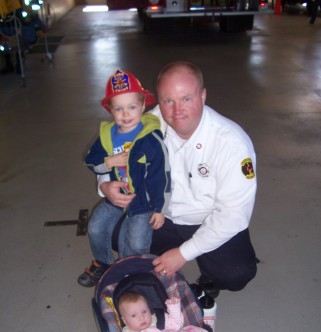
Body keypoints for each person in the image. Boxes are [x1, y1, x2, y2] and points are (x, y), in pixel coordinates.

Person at [97, 61, 258, 312]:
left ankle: (206, 281)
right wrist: (105, 184)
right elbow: (110, 150)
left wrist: (182, 254)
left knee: (236, 273)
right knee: (117, 233)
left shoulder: (231, 143)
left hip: (207, 219)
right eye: (167, 101)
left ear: (203, 95)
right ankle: (157, 271)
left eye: (186, 99)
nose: (176, 111)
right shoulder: (147, 125)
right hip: (160, 216)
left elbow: (233, 215)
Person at [78, 68, 170, 287]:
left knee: (136, 243)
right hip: (115, 197)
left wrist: (160, 208)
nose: (126, 114)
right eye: (119, 109)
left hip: (142, 203)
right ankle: (104, 263)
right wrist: (109, 162)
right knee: (95, 227)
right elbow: (90, 161)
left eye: (131, 107)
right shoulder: (106, 136)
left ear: (142, 105)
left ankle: (131, 275)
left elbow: (161, 174)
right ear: (110, 110)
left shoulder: (151, 138)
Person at [118, 291, 184, 332]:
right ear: (125, 321)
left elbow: (176, 325)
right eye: (134, 315)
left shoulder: (157, 319)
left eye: (144, 311)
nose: (141, 318)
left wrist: (174, 307)